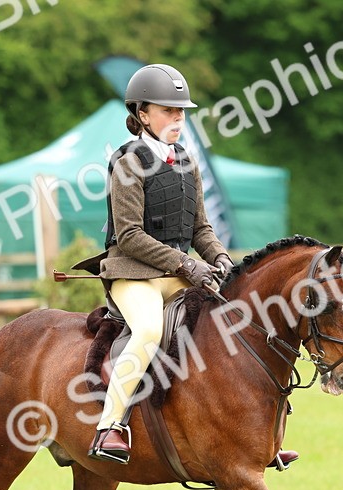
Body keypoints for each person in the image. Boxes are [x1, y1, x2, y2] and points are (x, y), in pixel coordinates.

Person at [88, 63, 233, 464]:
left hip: (174, 274)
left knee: (228, 320)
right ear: (142, 114)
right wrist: (189, 268)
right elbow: (131, 236)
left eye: (181, 111)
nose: (177, 118)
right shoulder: (128, 162)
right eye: (168, 110)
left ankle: (242, 429)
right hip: (132, 274)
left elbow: (201, 227)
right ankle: (109, 426)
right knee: (150, 330)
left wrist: (219, 257)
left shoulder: (186, 160)